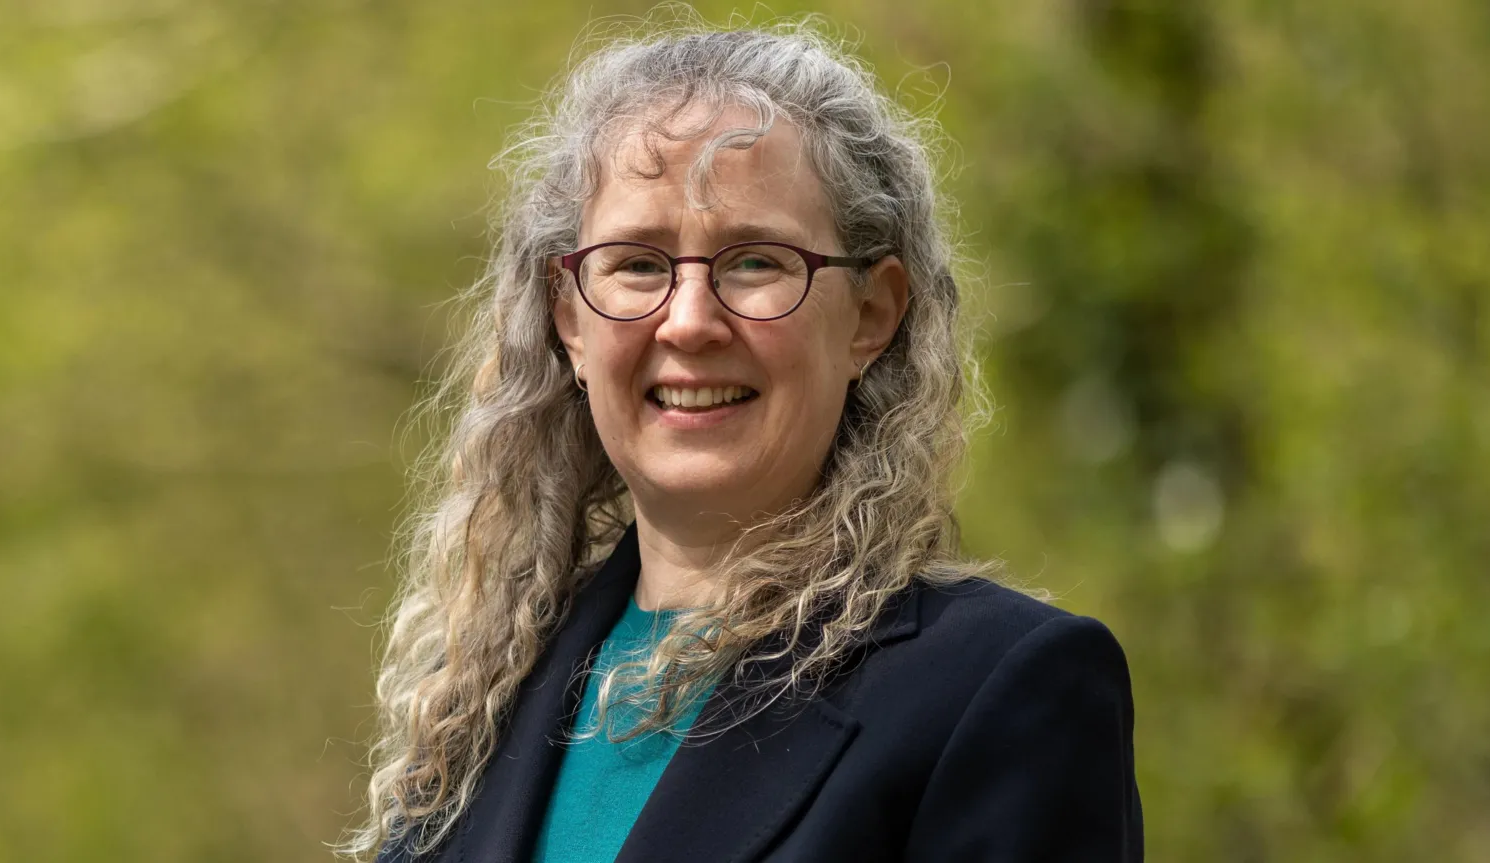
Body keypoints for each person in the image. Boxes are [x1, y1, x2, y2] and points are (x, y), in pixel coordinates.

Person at [345, 20, 1142, 863]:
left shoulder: (1002, 689)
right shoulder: (478, 701)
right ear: (569, 320)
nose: (689, 321)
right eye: (639, 264)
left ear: (872, 315)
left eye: (756, 262)